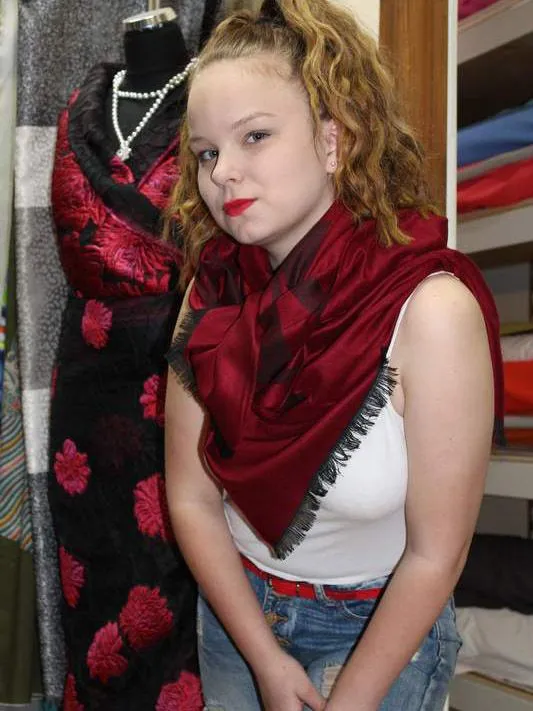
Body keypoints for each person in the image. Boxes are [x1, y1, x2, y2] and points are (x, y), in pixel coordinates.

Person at [163, 0, 504, 708]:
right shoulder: (213, 292)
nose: (222, 172)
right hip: (236, 620)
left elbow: (436, 554)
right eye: (207, 152)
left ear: (333, 139)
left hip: (378, 631)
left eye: (254, 136)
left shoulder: (430, 312)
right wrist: (264, 658)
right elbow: (192, 498)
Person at [47, 8, 220, 709]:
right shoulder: (79, 108)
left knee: (177, 568)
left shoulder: (214, 96)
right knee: (90, 577)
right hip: (84, 392)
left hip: (177, 369)